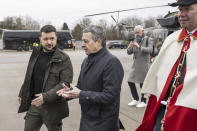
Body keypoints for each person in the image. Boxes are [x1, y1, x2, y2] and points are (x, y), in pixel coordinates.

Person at [136, 0, 197, 130]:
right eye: (180, 10)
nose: (181, 14)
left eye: (187, 9)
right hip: (162, 110)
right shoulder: (172, 39)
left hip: (190, 114)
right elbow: (159, 74)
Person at [57, 25, 124, 131]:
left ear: (99, 41)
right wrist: (70, 92)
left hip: (103, 123)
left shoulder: (112, 62)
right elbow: (81, 87)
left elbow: (110, 96)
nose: (82, 45)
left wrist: (81, 94)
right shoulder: (86, 61)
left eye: (86, 41)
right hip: (86, 120)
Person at [18, 25, 73, 131]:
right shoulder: (35, 54)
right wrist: (22, 92)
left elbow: (65, 83)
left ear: (56, 38)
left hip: (53, 108)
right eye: (45, 39)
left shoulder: (64, 58)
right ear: (40, 39)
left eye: (52, 38)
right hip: (35, 105)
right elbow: (29, 75)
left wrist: (45, 97)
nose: (49, 42)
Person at [127, 25, 153, 108]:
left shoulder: (148, 39)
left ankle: (143, 101)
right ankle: (135, 99)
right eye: (135, 32)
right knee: (130, 81)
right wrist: (130, 46)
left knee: (142, 84)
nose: (136, 34)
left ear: (142, 31)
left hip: (144, 65)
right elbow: (129, 52)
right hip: (135, 65)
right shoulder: (134, 40)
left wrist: (139, 46)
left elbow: (150, 50)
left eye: (138, 32)